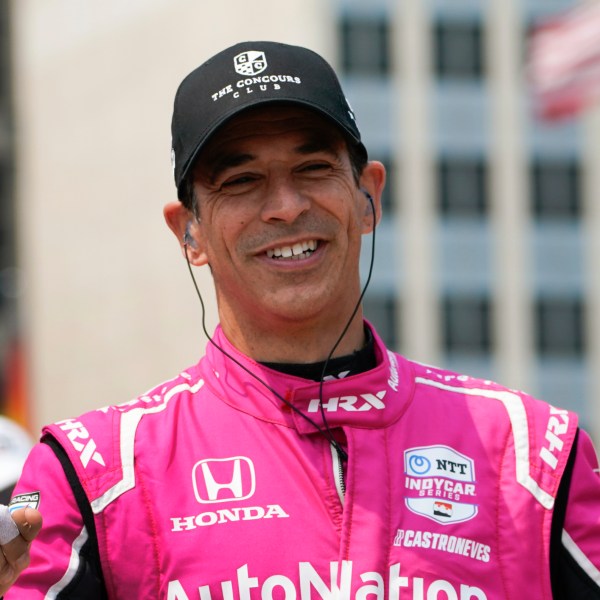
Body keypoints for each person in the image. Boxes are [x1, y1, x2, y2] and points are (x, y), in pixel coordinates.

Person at [1, 40, 599, 599]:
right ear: (190, 231)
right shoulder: (96, 473)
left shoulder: (532, 456)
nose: (286, 206)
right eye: (241, 181)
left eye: (312, 169)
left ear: (368, 197)